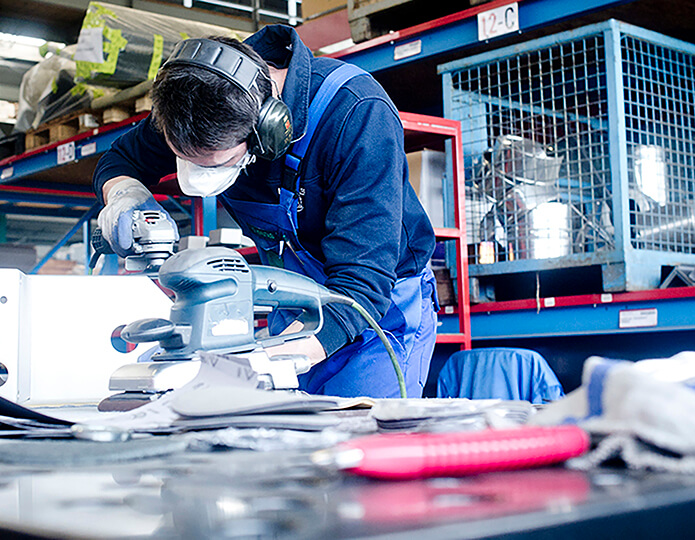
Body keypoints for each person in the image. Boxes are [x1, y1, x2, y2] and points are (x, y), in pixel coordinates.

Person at [93, 24, 437, 398]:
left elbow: (361, 286)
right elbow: (122, 159)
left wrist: (251, 367)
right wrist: (124, 194)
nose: (199, 176)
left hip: (376, 315)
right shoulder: (195, 101)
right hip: (292, 302)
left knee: (357, 436)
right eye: (186, 160)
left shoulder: (356, 112)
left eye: (216, 165)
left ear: (267, 130)